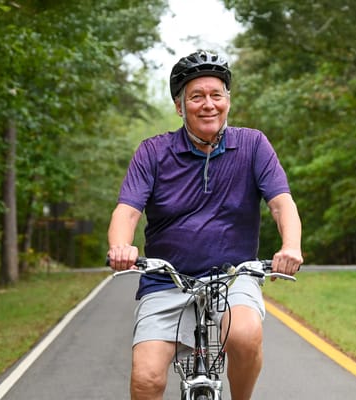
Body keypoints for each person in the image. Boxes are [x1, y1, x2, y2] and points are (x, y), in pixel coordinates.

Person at [106, 50, 303, 400]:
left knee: (244, 334)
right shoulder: (153, 153)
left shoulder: (253, 145)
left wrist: (290, 247)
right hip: (166, 279)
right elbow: (128, 211)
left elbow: (280, 203)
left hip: (232, 275)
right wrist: (122, 246)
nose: (208, 104)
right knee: (146, 378)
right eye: (196, 96)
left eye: (217, 95)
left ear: (227, 100)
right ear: (180, 107)